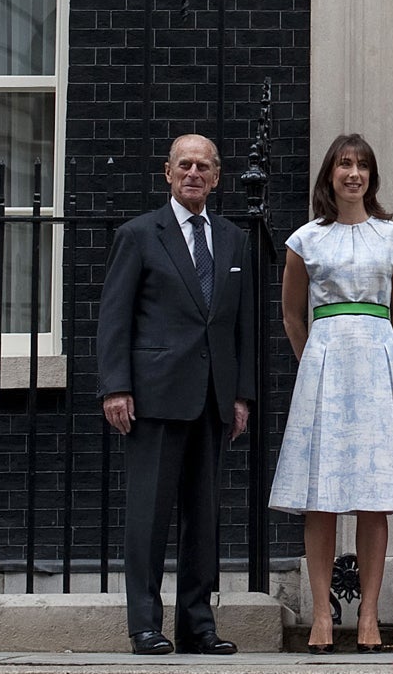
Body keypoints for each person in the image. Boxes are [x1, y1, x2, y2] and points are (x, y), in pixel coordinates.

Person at [269, 133, 393, 654]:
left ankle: (367, 618)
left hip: (376, 363)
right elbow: (293, 315)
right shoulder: (306, 240)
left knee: (373, 498)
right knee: (322, 498)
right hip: (324, 366)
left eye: (361, 165)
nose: (353, 173)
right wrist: (315, 360)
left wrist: (376, 351)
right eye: (344, 164)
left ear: (372, 176)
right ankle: (320, 616)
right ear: (330, 175)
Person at [96, 134, 255, 655]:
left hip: (212, 399)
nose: (193, 173)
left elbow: (241, 327)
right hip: (154, 396)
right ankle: (145, 623)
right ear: (168, 173)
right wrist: (116, 387)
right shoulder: (139, 234)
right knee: (149, 515)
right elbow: (114, 317)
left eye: (203, 166)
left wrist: (241, 396)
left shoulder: (233, 239)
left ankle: (197, 623)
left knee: (203, 519)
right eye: (184, 165)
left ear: (216, 177)